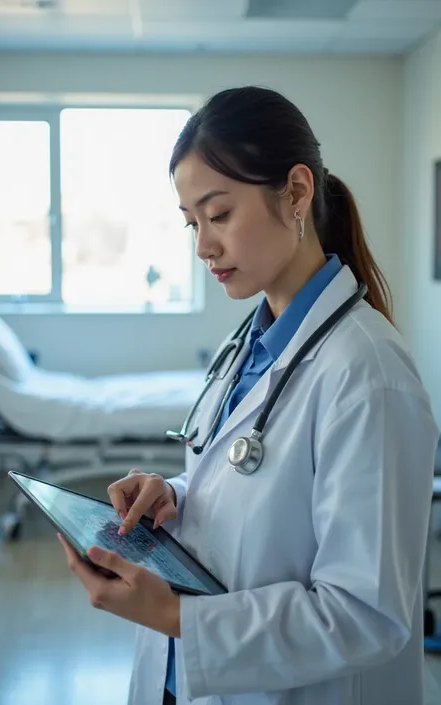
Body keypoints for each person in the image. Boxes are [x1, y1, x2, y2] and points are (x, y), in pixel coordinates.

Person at [59, 86, 439, 705]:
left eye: (219, 214)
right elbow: (256, 493)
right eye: (192, 223)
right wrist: (176, 496)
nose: (203, 246)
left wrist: (182, 620)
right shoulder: (249, 345)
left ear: (294, 192)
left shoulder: (367, 374)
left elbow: (368, 614)